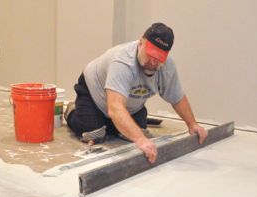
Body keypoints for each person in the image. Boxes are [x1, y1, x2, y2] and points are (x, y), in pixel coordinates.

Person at [64, 22, 207, 164]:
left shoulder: (167, 66)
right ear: (140, 43)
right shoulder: (123, 62)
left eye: (159, 58)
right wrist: (140, 140)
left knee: (131, 133)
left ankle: (111, 123)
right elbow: (115, 108)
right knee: (94, 134)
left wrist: (192, 124)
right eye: (151, 54)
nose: (153, 61)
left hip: (129, 103)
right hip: (94, 94)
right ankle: (72, 112)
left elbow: (177, 97)